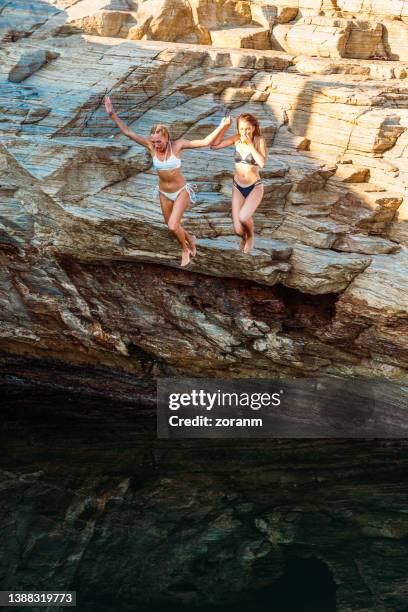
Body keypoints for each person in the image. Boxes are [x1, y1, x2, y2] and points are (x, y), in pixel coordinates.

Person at [104, 96, 232, 266]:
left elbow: (204, 142)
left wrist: (222, 126)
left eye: (159, 141)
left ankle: (185, 250)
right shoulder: (151, 146)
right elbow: (128, 132)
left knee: (173, 226)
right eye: (154, 141)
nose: (156, 145)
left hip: (181, 191)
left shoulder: (178, 145)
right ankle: (191, 238)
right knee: (171, 225)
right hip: (164, 193)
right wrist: (112, 113)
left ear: (166, 137)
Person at [211, 113, 267, 253]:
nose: (244, 132)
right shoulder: (236, 139)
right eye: (241, 129)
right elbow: (214, 146)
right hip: (237, 187)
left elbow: (262, 163)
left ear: (253, 128)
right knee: (237, 229)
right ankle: (244, 236)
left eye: (247, 128)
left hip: (254, 187)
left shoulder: (259, 141)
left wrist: (250, 145)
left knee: (243, 217)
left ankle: (250, 237)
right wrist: (224, 127)